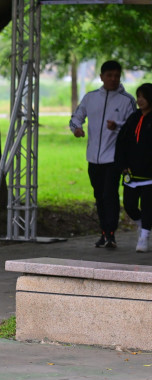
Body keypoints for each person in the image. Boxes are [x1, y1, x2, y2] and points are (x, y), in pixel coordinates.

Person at [70, 60, 136, 249]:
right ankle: (104, 232)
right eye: (109, 75)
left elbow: (134, 126)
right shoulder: (90, 98)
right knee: (99, 195)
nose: (113, 79)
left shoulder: (127, 100)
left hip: (114, 158)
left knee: (109, 194)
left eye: (116, 76)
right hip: (93, 157)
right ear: (101, 77)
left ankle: (111, 233)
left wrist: (118, 126)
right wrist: (77, 129)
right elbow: (76, 118)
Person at [115, 83, 152, 252]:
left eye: (143, 97)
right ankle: (143, 225)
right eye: (138, 97)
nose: (139, 100)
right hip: (131, 173)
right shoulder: (133, 118)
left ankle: (144, 237)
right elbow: (121, 142)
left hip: (149, 174)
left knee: (148, 206)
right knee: (129, 205)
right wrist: (122, 165)